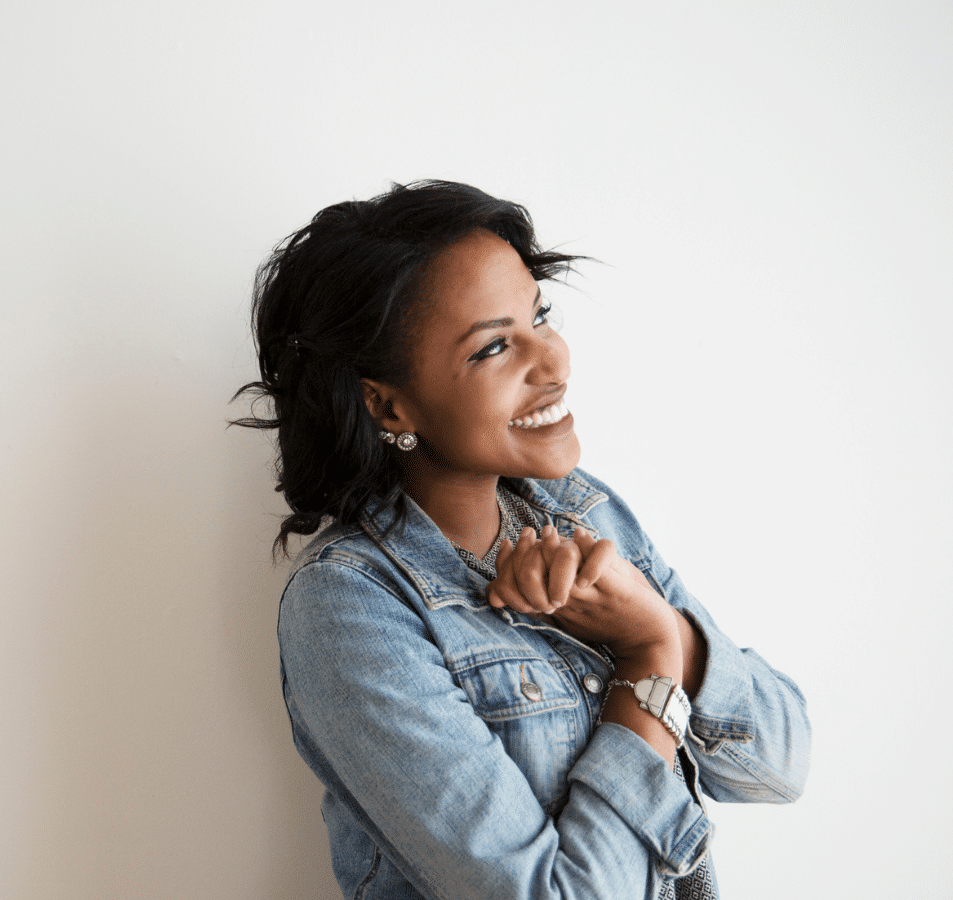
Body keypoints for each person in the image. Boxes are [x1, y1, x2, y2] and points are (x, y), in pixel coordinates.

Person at [235, 180, 809, 899]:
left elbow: (784, 763)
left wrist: (667, 630)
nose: (555, 362)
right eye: (496, 347)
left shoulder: (582, 510)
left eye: (540, 316)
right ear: (387, 401)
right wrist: (648, 660)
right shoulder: (350, 606)